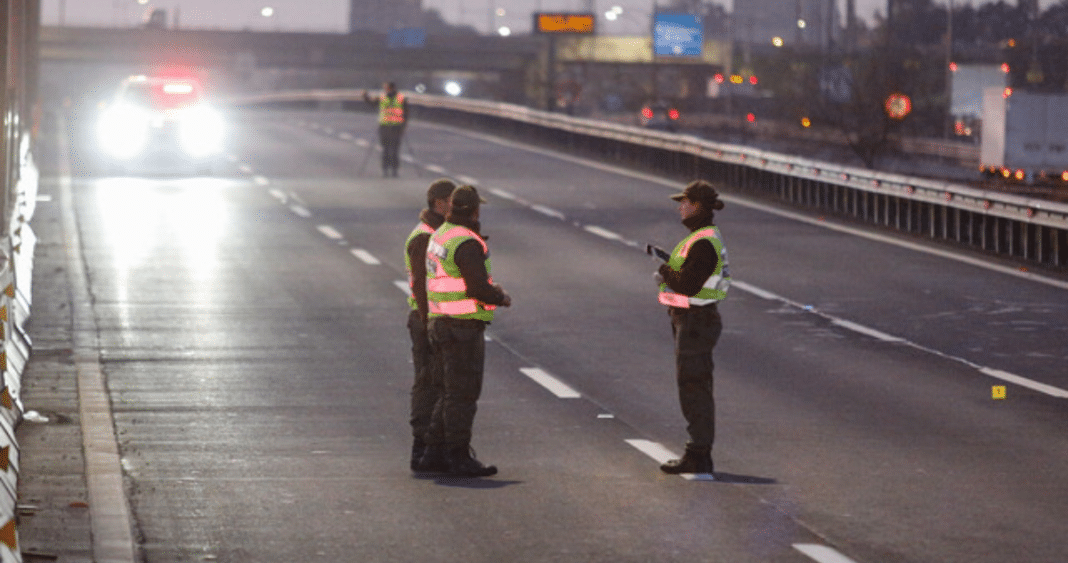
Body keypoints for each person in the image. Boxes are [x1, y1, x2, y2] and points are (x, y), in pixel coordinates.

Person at [418, 185, 511, 477]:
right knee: (463, 395)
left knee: (447, 392)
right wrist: (500, 297)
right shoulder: (466, 242)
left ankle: (432, 454)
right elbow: (476, 287)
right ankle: (458, 456)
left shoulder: (440, 234)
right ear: (475, 210)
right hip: (461, 327)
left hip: (439, 322)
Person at [654, 180, 731, 476]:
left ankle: (698, 454)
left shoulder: (702, 242)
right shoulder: (703, 237)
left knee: (694, 386)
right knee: (694, 384)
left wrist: (663, 270)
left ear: (697, 206)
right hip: (694, 319)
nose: (679, 207)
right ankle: (698, 451)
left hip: (697, 322)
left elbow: (688, 284)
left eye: (684, 202)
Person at [404, 179, 457, 471]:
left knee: (440, 383)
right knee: (428, 383)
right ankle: (421, 447)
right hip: (426, 319)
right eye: (452, 202)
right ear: (439, 203)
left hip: (434, 317)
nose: (456, 208)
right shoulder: (425, 237)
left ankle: (434, 448)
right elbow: (423, 287)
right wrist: (428, 323)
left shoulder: (438, 234)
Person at [362, 81, 408, 177]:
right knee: (393, 149)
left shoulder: (384, 97)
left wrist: (365, 97)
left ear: (390, 88)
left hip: (388, 127)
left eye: (386, 87)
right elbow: (406, 114)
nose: (385, 88)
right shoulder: (400, 98)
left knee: (387, 149)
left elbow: (371, 104)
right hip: (394, 127)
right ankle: (393, 171)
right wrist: (404, 126)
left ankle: (386, 170)